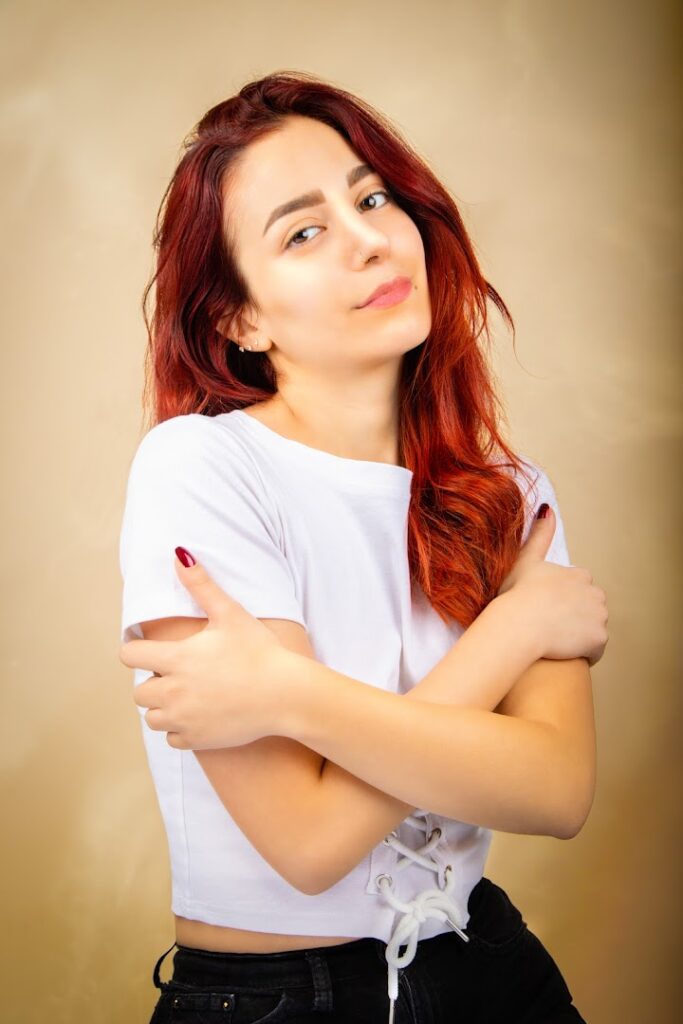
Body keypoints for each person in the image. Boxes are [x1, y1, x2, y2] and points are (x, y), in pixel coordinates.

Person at [118, 70, 607, 1023]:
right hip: (277, 999)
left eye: (372, 196)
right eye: (304, 231)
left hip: (486, 963)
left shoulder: (505, 490)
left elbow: (557, 790)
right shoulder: (202, 467)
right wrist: (509, 633)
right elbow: (306, 843)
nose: (371, 239)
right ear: (237, 317)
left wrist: (290, 694)